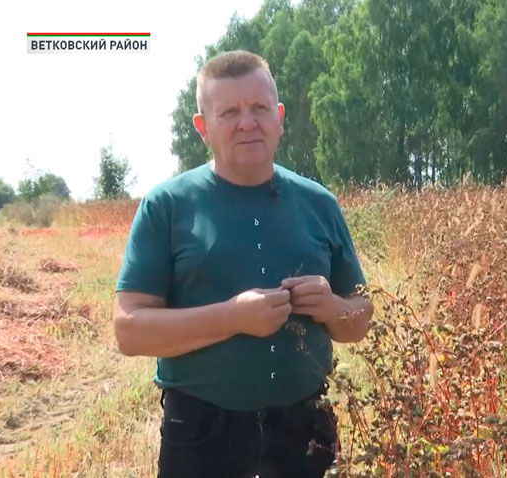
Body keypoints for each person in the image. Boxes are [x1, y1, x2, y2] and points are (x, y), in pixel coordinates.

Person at [113, 50, 373, 478]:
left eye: (258, 108)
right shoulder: (167, 206)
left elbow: (360, 318)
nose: (247, 122)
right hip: (200, 433)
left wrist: (330, 308)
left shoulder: (319, 204)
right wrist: (232, 318)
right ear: (202, 127)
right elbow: (129, 330)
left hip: (306, 429)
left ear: (280, 116)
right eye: (229, 111)